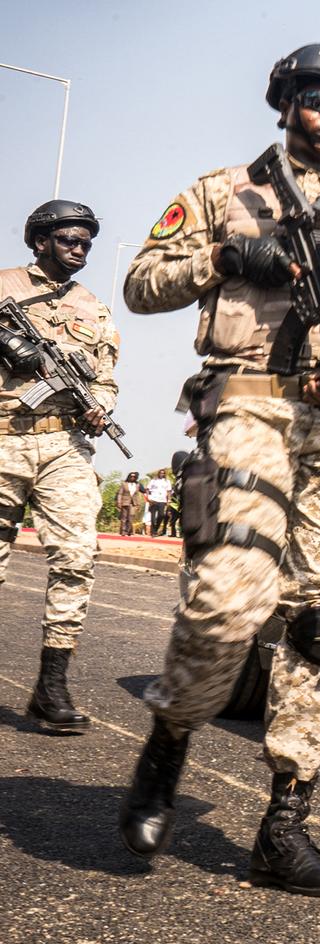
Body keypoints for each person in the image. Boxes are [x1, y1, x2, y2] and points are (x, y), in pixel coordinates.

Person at [119, 43, 320, 896]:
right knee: (227, 602)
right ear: (286, 102)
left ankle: (284, 821)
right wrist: (227, 260)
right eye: (319, 98)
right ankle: (171, 738)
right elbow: (141, 285)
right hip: (248, 406)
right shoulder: (219, 193)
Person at [0, 199, 118, 733]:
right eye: (70, 240)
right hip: (3, 437)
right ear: (40, 241)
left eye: (87, 243)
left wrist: (100, 407)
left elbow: (107, 378)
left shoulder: (94, 308)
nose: (80, 250)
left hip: (64, 444)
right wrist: (11, 345)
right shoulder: (5, 286)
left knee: (77, 555)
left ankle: (51, 686)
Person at [145, 468, 172, 537]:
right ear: (158, 473)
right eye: (160, 473)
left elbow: (169, 491)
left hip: (162, 500)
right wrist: (148, 498)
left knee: (161, 515)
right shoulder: (153, 481)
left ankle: (155, 529)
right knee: (153, 517)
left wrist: (169, 500)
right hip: (153, 500)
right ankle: (153, 532)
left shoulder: (167, 481)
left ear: (164, 474)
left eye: (163, 473)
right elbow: (147, 489)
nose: (162, 474)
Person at [118, 471, 144, 536]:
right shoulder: (124, 484)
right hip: (125, 502)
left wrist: (138, 504)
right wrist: (119, 502)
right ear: (129, 477)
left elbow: (137, 495)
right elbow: (120, 493)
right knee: (124, 518)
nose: (132, 477)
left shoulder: (137, 485)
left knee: (131, 517)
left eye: (134, 477)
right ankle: (123, 531)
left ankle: (128, 530)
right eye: (131, 476)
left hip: (133, 503)